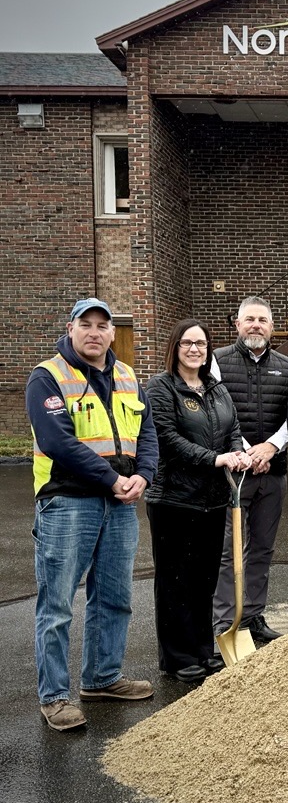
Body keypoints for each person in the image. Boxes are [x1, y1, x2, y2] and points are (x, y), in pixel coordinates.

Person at [27, 298, 159, 731]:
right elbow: (59, 442)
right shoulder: (47, 377)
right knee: (58, 604)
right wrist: (112, 479)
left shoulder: (126, 376)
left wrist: (144, 474)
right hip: (67, 502)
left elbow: (148, 432)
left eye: (103, 326)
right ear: (71, 328)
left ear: (111, 334)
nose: (95, 332)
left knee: (114, 596)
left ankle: (102, 678)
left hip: (120, 503)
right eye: (87, 324)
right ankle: (55, 697)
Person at [145, 320, 252, 684]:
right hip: (174, 499)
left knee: (204, 579)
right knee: (176, 580)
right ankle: (177, 657)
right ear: (175, 347)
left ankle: (203, 650)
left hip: (213, 500)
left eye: (201, 344)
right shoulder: (160, 388)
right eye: (187, 343)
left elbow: (233, 430)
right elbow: (168, 439)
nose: (195, 349)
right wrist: (215, 459)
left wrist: (237, 453)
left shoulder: (215, 388)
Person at [211, 297, 288, 646]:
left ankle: (252, 615)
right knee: (227, 550)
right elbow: (218, 412)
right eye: (249, 319)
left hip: (272, 471)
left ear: (272, 326)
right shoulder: (216, 362)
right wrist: (248, 450)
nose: (256, 325)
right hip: (234, 473)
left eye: (263, 320)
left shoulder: (287, 366)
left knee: (262, 548)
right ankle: (225, 621)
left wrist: (272, 447)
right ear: (237, 324)